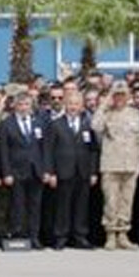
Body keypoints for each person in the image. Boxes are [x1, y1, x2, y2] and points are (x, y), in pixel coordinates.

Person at [91, 81, 139, 250]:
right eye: (117, 95)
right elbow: (95, 126)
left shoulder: (135, 115)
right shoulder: (107, 114)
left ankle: (123, 234)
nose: (120, 98)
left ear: (128, 97)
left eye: (123, 95)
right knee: (111, 202)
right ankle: (110, 234)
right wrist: (104, 104)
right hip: (111, 165)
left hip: (130, 165)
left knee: (126, 202)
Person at [43, 91, 98, 249]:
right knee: (62, 206)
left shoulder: (88, 124)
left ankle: (80, 236)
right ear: (65, 105)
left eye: (76, 104)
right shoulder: (55, 124)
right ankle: (61, 236)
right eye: (70, 103)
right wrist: (51, 172)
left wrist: (93, 172)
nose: (73, 107)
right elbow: (48, 150)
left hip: (83, 171)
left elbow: (93, 150)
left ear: (81, 106)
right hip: (63, 171)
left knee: (81, 206)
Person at [0, 93, 46, 248]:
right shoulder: (6, 124)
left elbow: (45, 148)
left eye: (27, 104)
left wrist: (46, 170)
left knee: (35, 206)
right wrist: (7, 173)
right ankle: (18, 234)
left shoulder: (39, 122)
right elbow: (3, 151)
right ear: (15, 106)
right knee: (17, 205)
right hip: (16, 170)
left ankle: (34, 236)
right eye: (21, 104)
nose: (24, 107)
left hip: (36, 170)